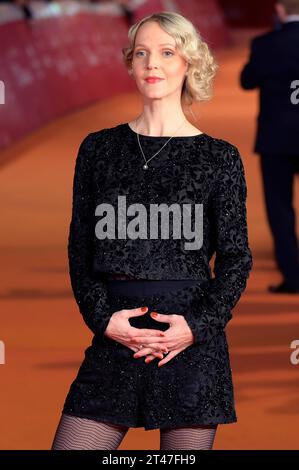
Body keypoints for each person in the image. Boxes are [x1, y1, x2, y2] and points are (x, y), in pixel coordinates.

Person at [51, 11, 252, 450]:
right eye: (141, 53)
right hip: (115, 338)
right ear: (130, 62)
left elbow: (236, 259)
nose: (151, 64)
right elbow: (80, 248)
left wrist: (196, 327)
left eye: (166, 52)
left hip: (191, 346)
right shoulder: (98, 149)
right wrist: (104, 320)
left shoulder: (220, 158)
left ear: (189, 63)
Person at [240, 0, 299, 294]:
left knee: (280, 208)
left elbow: (247, 81)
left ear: (279, 10)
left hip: (276, 138)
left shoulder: (265, 43)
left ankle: (293, 276)